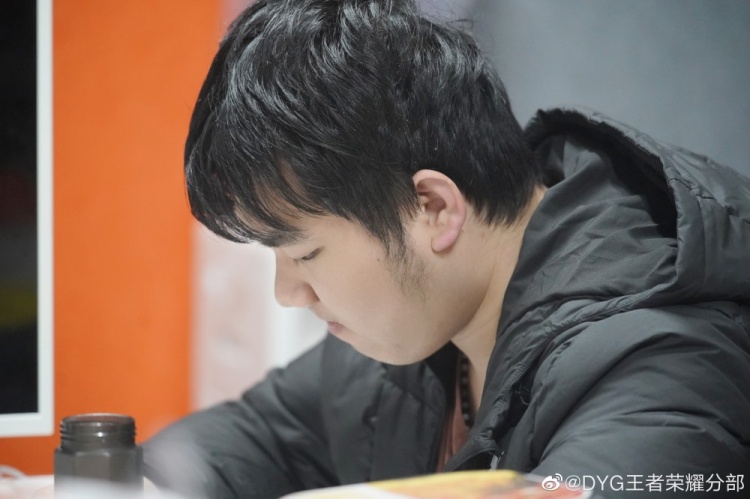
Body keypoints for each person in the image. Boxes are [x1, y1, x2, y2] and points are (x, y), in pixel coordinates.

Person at [143, 0, 750, 497]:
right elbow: (250, 438)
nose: (287, 294)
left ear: (434, 209)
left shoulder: (667, 364)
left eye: (304, 253)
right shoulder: (409, 327)